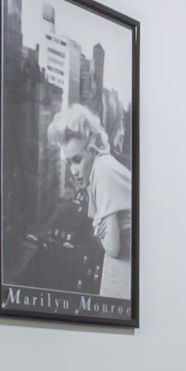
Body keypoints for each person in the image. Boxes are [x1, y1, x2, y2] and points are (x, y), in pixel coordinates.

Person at [48, 103, 131, 300]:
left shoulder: (102, 171)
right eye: (69, 163)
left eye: (77, 160)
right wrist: (100, 227)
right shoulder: (98, 170)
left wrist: (99, 227)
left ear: (92, 150)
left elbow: (112, 247)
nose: (73, 171)